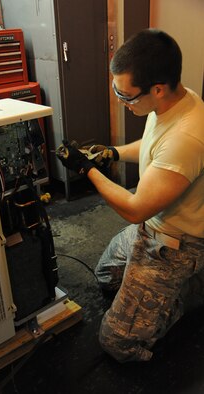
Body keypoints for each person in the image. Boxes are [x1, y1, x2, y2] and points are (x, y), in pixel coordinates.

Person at [56, 28, 204, 362]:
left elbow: (135, 209)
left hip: (174, 243)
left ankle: (185, 289)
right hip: (152, 224)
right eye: (116, 91)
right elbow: (154, 148)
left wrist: (86, 170)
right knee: (105, 277)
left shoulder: (188, 136)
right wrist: (112, 153)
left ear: (158, 89)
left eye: (127, 97)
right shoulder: (175, 101)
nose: (122, 102)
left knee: (117, 344)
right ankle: (168, 291)